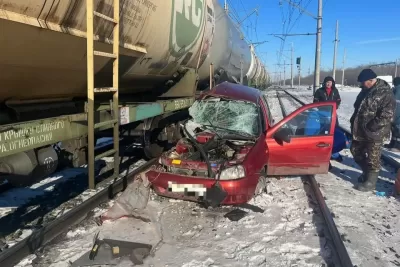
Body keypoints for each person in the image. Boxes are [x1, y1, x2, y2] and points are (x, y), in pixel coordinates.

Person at [350, 69, 396, 191]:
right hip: (359, 130)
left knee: (373, 157)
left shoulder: (385, 93)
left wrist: (372, 126)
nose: (361, 84)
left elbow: (387, 115)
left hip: (375, 132)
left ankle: (371, 182)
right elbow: (358, 108)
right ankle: (366, 173)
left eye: (363, 82)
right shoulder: (364, 90)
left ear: (371, 80)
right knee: (355, 151)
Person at [313, 76, 343, 168]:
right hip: (322, 116)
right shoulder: (319, 91)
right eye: (327, 82)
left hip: (333, 115)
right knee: (324, 136)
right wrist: (321, 107)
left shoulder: (335, 91)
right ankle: (325, 157)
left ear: (332, 83)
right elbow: (315, 102)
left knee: (334, 134)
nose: (328, 84)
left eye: (330, 82)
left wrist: (335, 107)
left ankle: (334, 153)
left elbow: (338, 100)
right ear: (324, 83)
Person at [385, 77, 400, 151]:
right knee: (394, 129)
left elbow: (396, 103)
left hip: (397, 114)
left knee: (397, 129)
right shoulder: (395, 89)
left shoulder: (398, 89)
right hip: (394, 113)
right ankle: (393, 143)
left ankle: (397, 146)